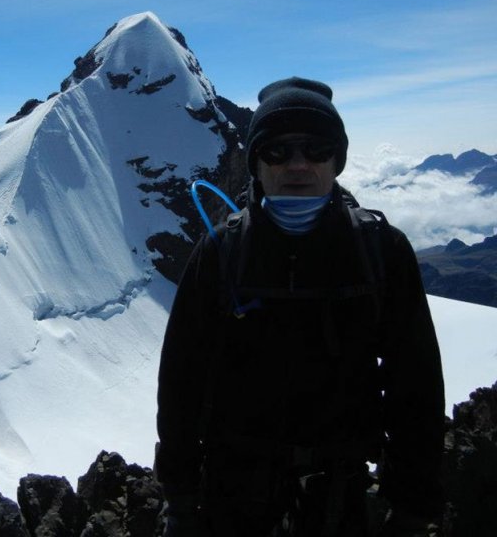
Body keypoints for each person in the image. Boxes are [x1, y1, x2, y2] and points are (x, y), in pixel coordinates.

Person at [155, 77, 445, 536]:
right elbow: (181, 382)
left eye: (316, 149)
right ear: (254, 162)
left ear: (337, 160)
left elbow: (416, 383)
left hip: (341, 490)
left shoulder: (381, 251)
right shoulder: (222, 253)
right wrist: (180, 498)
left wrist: (413, 500)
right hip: (233, 492)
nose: (298, 165)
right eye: (277, 151)